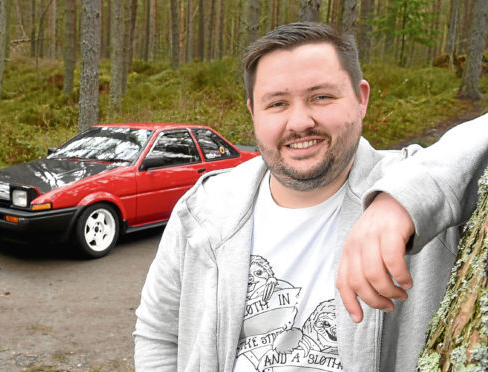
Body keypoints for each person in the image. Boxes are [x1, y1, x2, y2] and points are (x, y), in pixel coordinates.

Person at [133, 22, 488, 371]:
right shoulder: (203, 209)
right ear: (253, 113)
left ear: (361, 99)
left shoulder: (415, 185)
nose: (300, 121)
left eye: (321, 97)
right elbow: (159, 334)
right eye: (277, 104)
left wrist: (399, 201)